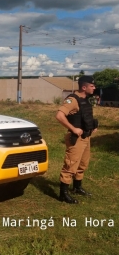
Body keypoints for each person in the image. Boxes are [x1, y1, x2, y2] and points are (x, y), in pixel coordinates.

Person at [55, 75, 98, 204]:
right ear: (84, 87)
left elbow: (85, 116)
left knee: (82, 164)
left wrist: (92, 127)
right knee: (70, 165)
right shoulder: (72, 100)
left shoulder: (86, 99)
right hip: (76, 138)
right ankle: (63, 194)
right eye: (92, 86)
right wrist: (73, 129)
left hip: (86, 137)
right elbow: (59, 115)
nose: (94, 88)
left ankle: (77, 187)